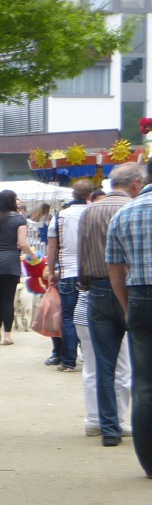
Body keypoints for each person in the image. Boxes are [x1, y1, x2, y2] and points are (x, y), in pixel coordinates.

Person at [79, 162, 142, 445]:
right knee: (139, 361)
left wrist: (84, 283)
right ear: (135, 184)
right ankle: (139, 422)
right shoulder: (134, 209)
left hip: (99, 289)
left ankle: (109, 428)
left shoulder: (89, 211)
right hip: (133, 287)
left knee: (103, 363)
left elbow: (81, 251)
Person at [105, 163, 152, 478]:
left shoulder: (124, 214)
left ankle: (149, 463)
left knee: (145, 384)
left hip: (139, 298)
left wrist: (126, 306)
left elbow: (115, 269)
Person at [0, 189, 40, 345]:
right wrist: (34, 255)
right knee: (8, 300)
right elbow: (22, 244)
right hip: (11, 262)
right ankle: (7, 336)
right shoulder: (19, 220)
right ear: (12, 201)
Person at [45, 179, 93, 372]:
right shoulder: (94, 212)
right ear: (90, 195)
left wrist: (50, 270)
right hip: (92, 272)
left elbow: (51, 246)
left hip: (67, 272)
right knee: (91, 317)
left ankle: (68, 361)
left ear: (73, 194)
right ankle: (90, 359)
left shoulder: (60, 216)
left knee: (69, 318)